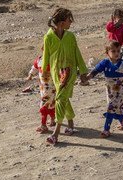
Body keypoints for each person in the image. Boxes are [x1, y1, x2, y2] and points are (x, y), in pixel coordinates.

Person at [42, 8, 88, 146]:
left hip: (69, 71)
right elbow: (46, 56)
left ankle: (56, 133)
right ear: (62, 22)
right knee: (64, 98)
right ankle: (71, 123)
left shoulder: (71, 36)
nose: (71, 23)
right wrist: (44, 71)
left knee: (60, 98)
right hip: (56, 73)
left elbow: (77, 53)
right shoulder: (48, 37)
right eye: (69, 20)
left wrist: (83, 72)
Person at [84, 41, 123, 138]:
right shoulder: (105, 63)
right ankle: (120, 122)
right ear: (107, 53)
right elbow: (96, 71)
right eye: (113, 51)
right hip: (110, 92)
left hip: (120, 92)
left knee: (115, 107)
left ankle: (106, 129)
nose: (117, 53)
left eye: (118, 51)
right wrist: (88, 77)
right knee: (114, 107)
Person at [26, 52, 56, 133]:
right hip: (44, 88)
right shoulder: (40, 59)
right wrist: (30, 75)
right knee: (51, 104)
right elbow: (34, 67)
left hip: (51, 87)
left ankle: (43, 125)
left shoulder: (53, 59)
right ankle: (53, 119)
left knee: (44, 106)